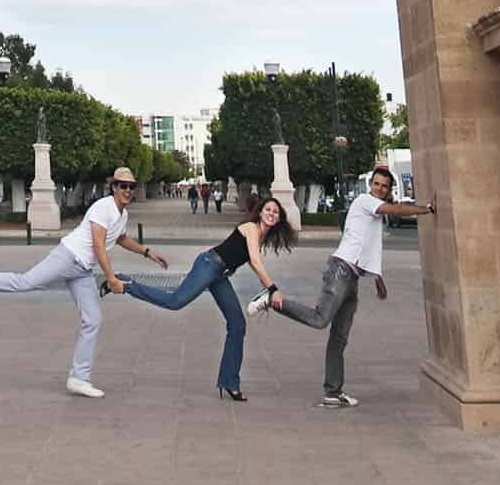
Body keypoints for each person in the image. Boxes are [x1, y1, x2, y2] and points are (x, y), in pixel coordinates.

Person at [0, 163, 165, 398]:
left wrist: (146, 251)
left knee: (93, 319)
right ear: (113, 188)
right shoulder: (104, 207)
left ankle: (79, 378)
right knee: (25, 282)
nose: (128, 190)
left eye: (131, 186)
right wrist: (110, 278)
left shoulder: (122, 214)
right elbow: (99, 244)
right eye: (123, 186)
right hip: (68, 256)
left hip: (82, 269)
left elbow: (120, 238)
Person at [253, 165, 432, 406]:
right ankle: (272, 301)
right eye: (376, 184)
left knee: (339, 338)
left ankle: (333, 393)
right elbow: (396, 209)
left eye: (384, 186)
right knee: (320, 319)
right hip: (340, 271)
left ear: (389, 190)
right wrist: (427, 209)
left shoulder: (375, 215)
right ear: (371, 186)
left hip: (352, 278)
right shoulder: (364, 201)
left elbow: (368, 246)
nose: (379, 188)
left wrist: (378, 279)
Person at [124, 188, 294, 400]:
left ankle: (229, 381)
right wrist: (273, 289)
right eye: (268, 209)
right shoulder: (251, 228)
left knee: (237, 324)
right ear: (260, 212)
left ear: (279, 219)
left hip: (220, 275)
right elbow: (257, 262)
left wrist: (266, 288)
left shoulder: (259, 236)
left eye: (275, 212)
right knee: (175, 301)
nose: (271, 213)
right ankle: (127, 284)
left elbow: (251, 262)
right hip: (209, 265)